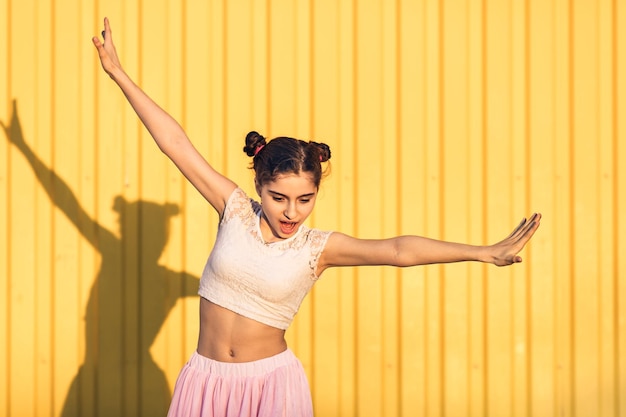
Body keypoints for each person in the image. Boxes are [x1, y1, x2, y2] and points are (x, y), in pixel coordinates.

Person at [92, 17, 541, 417]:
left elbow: (399, 250)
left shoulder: (316, 250)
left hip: (271, 389)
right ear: (258, 186)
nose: (292, 212)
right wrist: (118, 75)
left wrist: (484, 253)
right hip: (206, 383)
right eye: (278, 197)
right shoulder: (233, 210)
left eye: (305, 199)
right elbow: (175, 142)